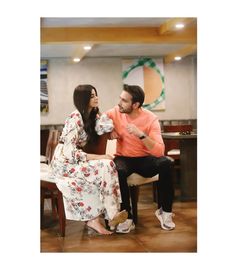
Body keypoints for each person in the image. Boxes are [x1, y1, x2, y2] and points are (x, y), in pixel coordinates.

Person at [50, 84, 128, 235]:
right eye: (92, 96)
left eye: (96, 94)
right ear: (83, 99)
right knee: (106, 163)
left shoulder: (93, 116)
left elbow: (106, 126)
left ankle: (112, 215)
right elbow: (69, 152)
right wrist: (99, 157)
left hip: (78, 160)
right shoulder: (75, 117)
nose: (96, 98)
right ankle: (108, 216)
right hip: (64, 162)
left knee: (108, 164)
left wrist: (110, 128)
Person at [106, 84, 175, 233]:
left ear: (135, 104)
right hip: (123, 158)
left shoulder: (151, 119)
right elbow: (99, 120)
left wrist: (141, 134)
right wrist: (109, 130)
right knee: (118, 169)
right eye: (120, 98)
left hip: (145, 159)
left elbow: (159, 151)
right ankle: (127, 216)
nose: (119, 103)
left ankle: (166, 212)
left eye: (124, 100)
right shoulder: (116, 112)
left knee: (166, 163)